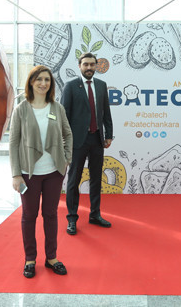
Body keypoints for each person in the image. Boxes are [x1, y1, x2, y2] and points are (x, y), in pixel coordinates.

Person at [9, 65, 73, 279]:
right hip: (28, 173)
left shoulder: (57, 108)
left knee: (51, 214)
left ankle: (51, 257)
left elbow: (68, 134)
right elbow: (13, 143)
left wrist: (66, 159)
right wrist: (16, 174)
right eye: (39, 79)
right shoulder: (21, 109)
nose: (43, 83)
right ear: (31, 82)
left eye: (47, 80)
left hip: (54, 172)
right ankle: (30, 259)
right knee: (29, 215)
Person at [61, 52, 113, 235]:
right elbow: (64, 116)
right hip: (77, 141)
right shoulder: (70, 86)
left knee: (96, 179)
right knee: (74, 180)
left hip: (97, 139)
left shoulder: (101, 85)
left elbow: (106, 112)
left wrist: (109, 134)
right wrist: (65, 140)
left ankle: (95, 214)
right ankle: (72, 218)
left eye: (92, 64)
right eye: (86, 64)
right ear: (80, 66)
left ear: (96, 66)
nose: (89, 67)